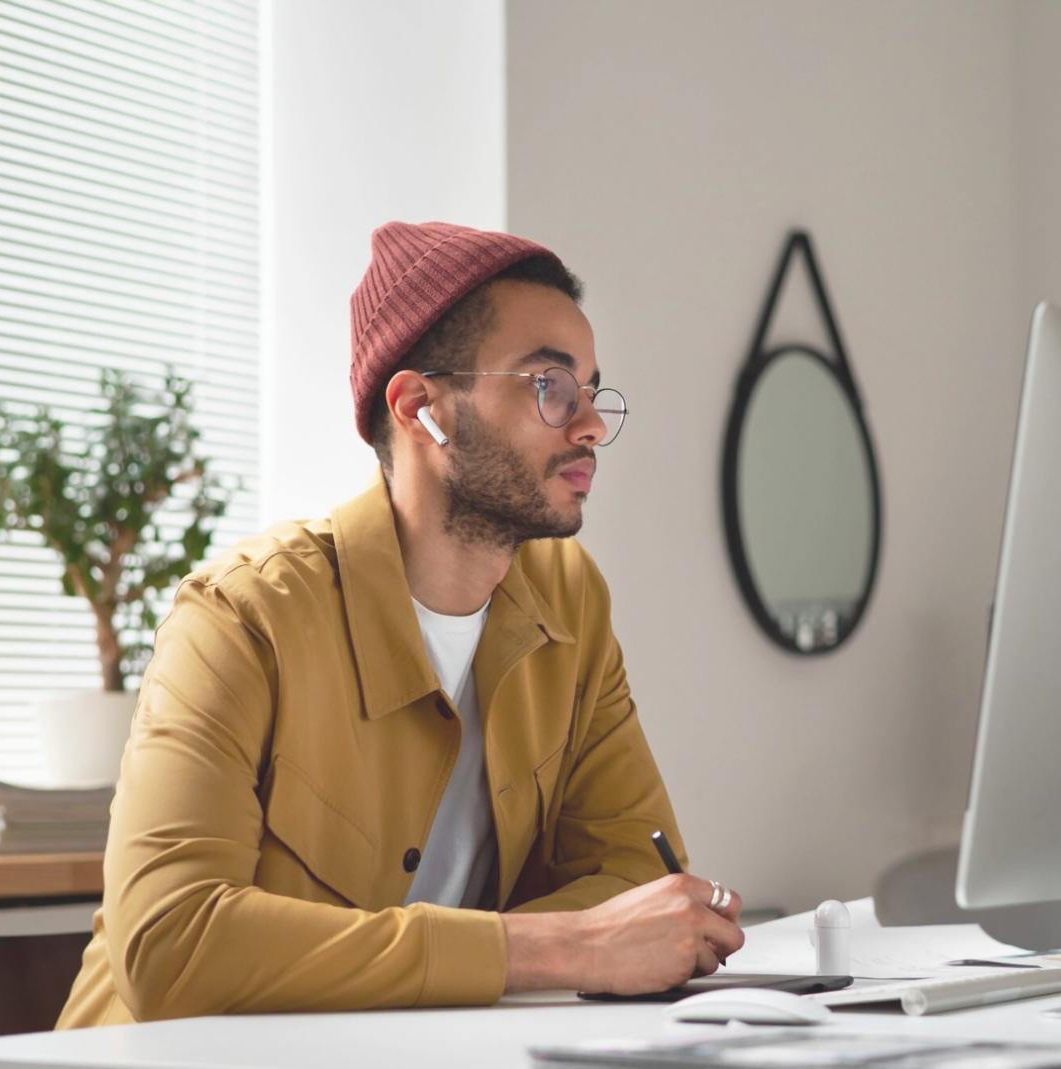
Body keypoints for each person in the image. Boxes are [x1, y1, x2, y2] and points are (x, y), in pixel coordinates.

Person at [57, 222, 744, 1027]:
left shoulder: (570, 600)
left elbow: (633, 871)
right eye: (550, 387)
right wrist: (554, 948)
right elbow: (169, 945)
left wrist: (586, 937)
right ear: (421, 409)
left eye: (593, 391)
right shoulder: (241, 616)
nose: (590, 425)